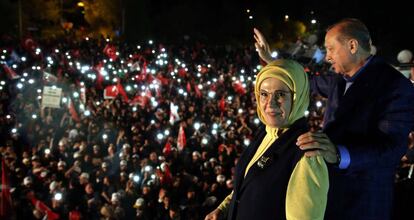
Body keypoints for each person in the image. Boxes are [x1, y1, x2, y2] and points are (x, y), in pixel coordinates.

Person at [254, 18, 414, 220]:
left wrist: (340, 155)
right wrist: (272, 61)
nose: (327, 57)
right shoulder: (338, 79)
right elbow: (306, 81)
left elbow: (391, 149)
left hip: (362, 203)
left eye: (330, 49)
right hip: (328, 194)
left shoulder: (396, 86)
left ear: (352, 45)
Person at [205, 59, 329, 220]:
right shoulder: (266, 133)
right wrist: (223, 209)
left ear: (298, 97)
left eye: (281, 94)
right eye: (264, 94)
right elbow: (247, 185)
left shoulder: (307, 154)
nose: (270, 103)